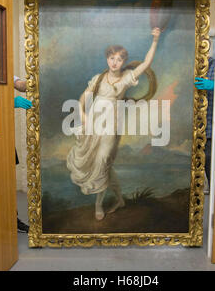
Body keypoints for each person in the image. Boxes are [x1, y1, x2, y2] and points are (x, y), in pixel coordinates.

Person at [67, 27, 162, 221]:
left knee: (102, 161)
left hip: (111, 125)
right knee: (102, 164)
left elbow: (146, 63)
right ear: (107, 59)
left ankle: (98, 204)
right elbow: (83, 98)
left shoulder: (127, 78)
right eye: (111, 58)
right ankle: (120, 199)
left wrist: (155, 40)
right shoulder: (99, 78)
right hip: (93, 123)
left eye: (119, 59)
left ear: (124, 62)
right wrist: (82, 113)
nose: (114, 62)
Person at [13, 75, 32, 232]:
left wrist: (36, 77)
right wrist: (9, 102)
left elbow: (20, 85)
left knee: (8, 178)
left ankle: (12, 217)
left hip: (1, 133)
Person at [194, 55, 215, 195]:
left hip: (210, 131)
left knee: (210, 165)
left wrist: (214, 86)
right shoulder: (188, 65)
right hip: (190, 132)